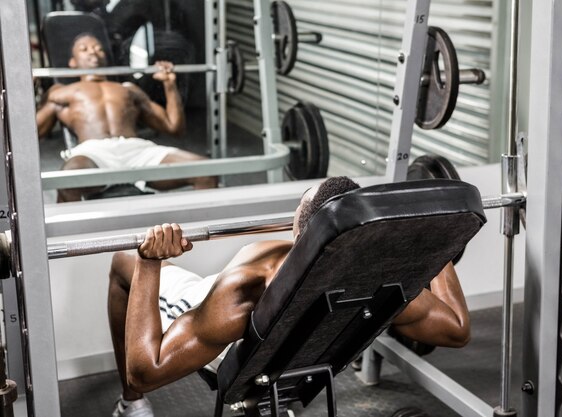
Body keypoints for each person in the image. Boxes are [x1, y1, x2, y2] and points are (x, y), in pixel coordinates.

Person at [107, 177, 471, 417]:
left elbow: (145, 372)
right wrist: (431, 241)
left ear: (303, 236)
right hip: (292, 341)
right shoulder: (388, 282)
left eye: (296, 220)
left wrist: (149, 260)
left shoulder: (248, 285)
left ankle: (131, 407)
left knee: (122, 262)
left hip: (213, 313)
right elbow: (457, 329)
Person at [36, 33, 217, 202]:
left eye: (98, 48)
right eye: (84, 49)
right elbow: (33, 134)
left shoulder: (128, 89)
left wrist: (169, 85)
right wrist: (27, 90)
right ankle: (70, 238)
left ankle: (195, 234)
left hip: (136, 150)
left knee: (206, 171)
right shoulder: (61, 92)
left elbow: (174, 127)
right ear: (72, 62)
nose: (92, 51)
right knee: (67, 181)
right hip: (93, 152)